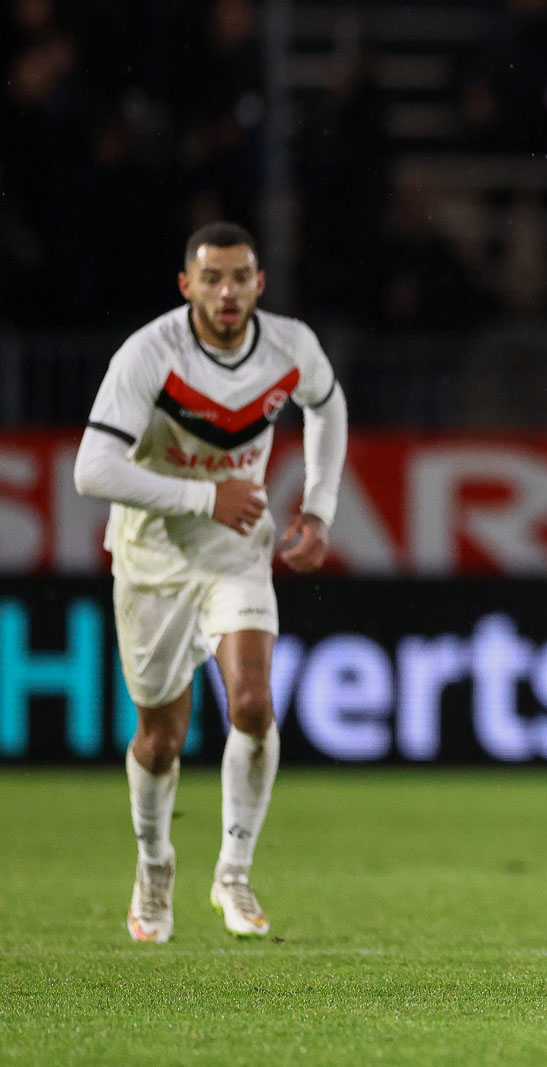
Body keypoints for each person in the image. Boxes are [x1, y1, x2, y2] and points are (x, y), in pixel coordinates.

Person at [73, 222, 348, 943]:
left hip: (235, 549)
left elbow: (327, 402)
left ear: (260, 283)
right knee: (160, 738)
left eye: (241, 277)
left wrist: (318, 508)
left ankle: (233, 870)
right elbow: (91, 470)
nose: (227, 292)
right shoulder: (149, 354)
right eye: (212, 278)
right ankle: (155, 861)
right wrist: (205, 497)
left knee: (253, 702)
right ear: (186, 286)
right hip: (151, 557)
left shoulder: (291, 346)